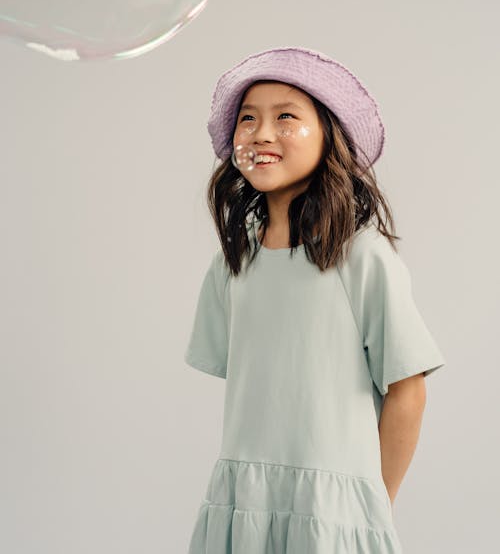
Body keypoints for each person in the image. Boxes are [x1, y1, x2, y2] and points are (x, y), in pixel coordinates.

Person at [184, 46, 446, 554]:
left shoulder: (362, 258)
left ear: (331, 138)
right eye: (247, 118)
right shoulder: (233, 262)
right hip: (245, 505)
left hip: (332, 511)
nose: (261, 133)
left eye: (285, 117)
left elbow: (407, 391)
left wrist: (370, 507)